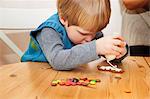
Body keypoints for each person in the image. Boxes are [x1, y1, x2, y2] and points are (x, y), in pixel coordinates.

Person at [21, 0, 128, 70]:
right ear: (63, 19)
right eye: (83, 33)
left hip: (64, 78)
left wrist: (117, 52)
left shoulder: (89, 31)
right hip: (36, 77)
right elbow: (58, 60)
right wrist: (96, 47)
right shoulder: (49, 31)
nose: (90, 39)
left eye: (95, 33)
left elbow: (104, 52)